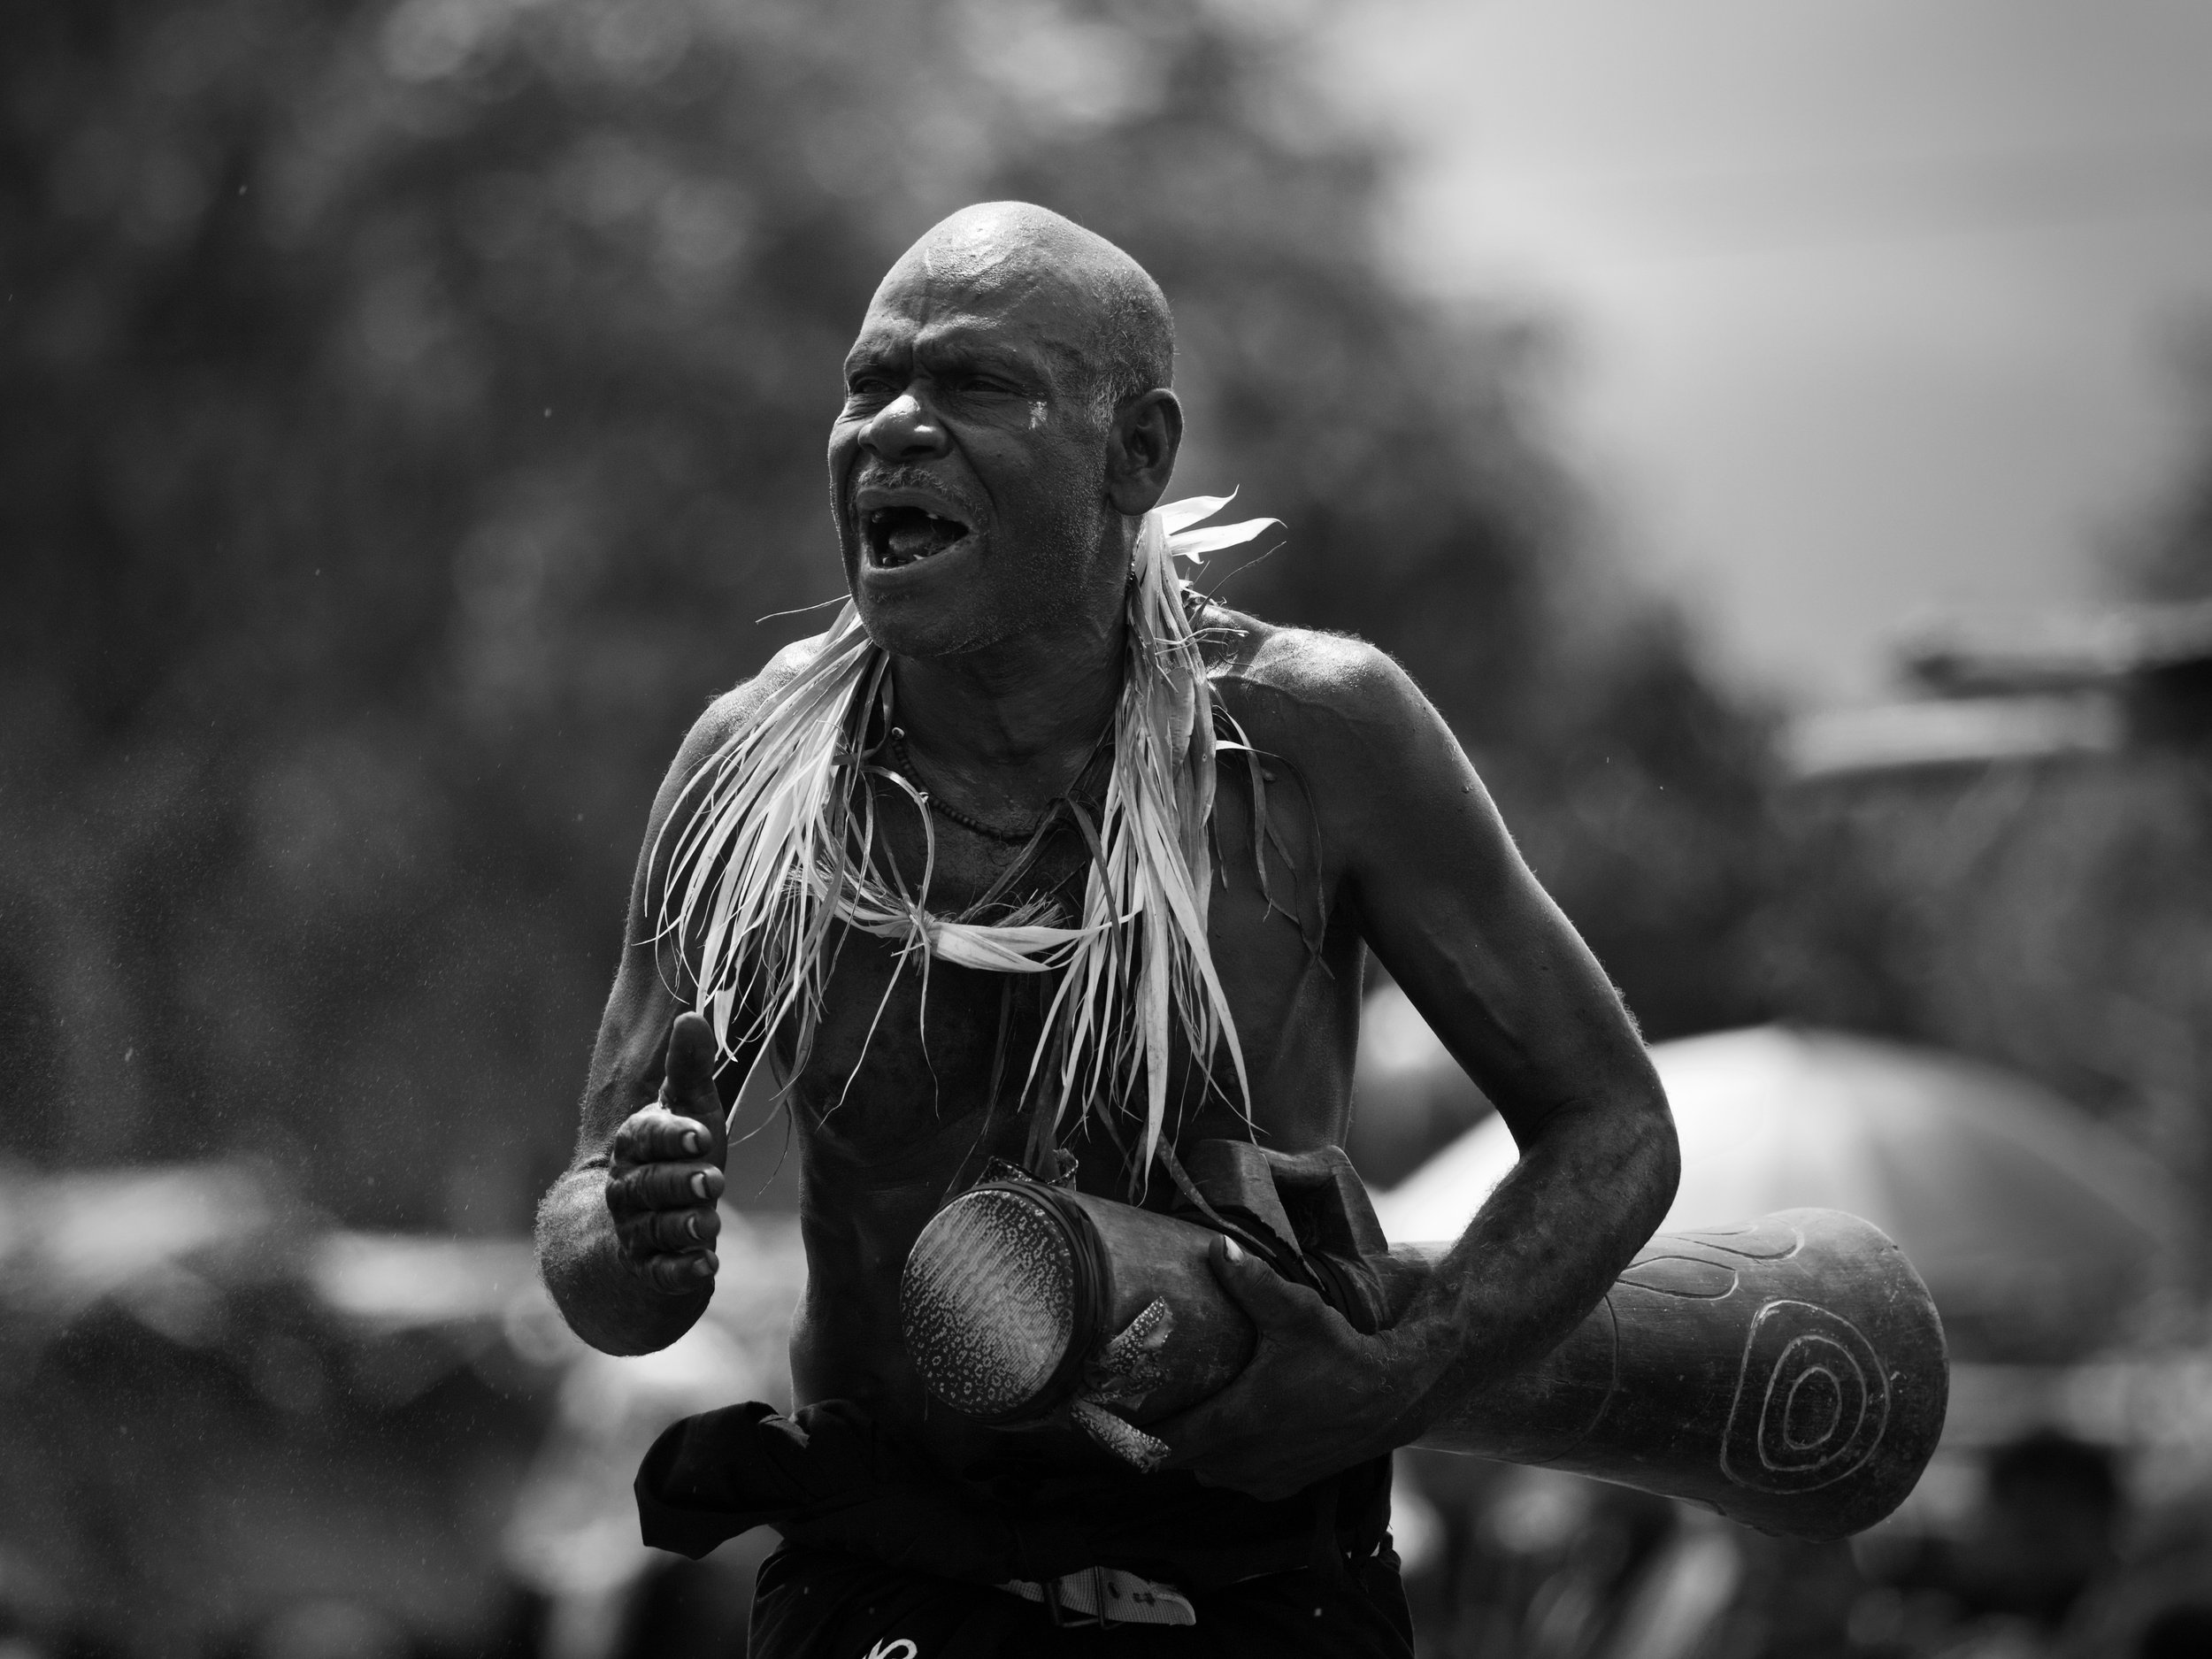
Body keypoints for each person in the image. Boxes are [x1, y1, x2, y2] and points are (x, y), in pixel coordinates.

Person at [534, 201, 1678, 1655]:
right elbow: (600, 1265)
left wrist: (1403, 1378)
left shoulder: (1316, 738)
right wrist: (635, 1239)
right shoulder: (748, 773)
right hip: (892, 1588)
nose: (893, 427)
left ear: (1136, 452)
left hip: (1260, 1590)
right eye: (868, 383)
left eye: (972, 387)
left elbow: (1612, 1124)